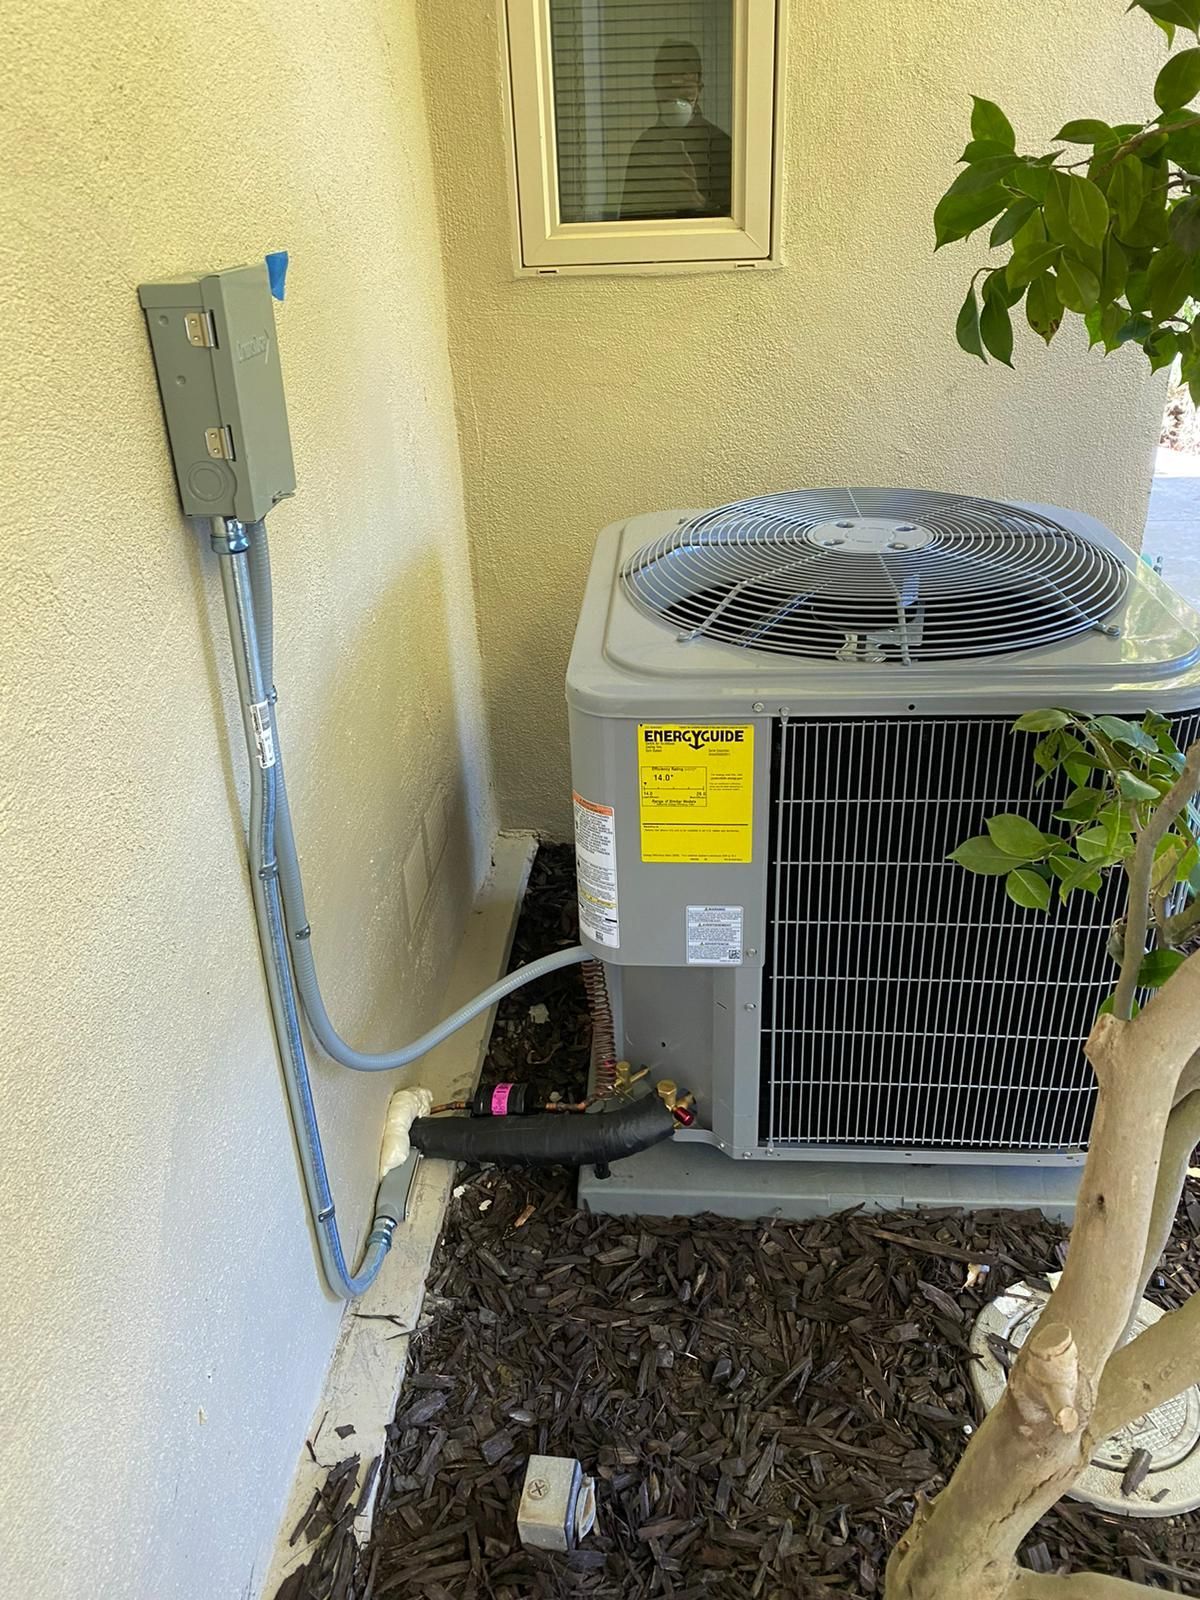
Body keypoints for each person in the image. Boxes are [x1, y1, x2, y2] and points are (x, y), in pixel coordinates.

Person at [620, 38, 732, 220]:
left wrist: (698, 203)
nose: (675, 97)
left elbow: (736, 230)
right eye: (667, 87)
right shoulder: (644, 147)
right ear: (655, 87)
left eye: (684, 88)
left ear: (698, 89)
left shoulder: (721, 147)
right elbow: (626, 222)